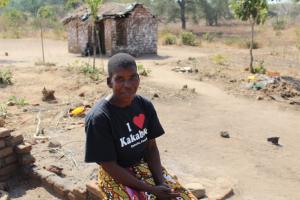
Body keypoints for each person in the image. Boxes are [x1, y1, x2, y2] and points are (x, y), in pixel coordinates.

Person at [85, 53, 196, 200]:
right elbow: (109, 166)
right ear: (109, 82)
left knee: (182, 197)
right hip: (115, 176)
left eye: (132, 77)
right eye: (120, 79)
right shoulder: (99, 118)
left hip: (143, 166)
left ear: (139, 78)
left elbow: (151, 148)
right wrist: (151, 189)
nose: (128, 85)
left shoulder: (144, 106)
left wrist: (161, 183)